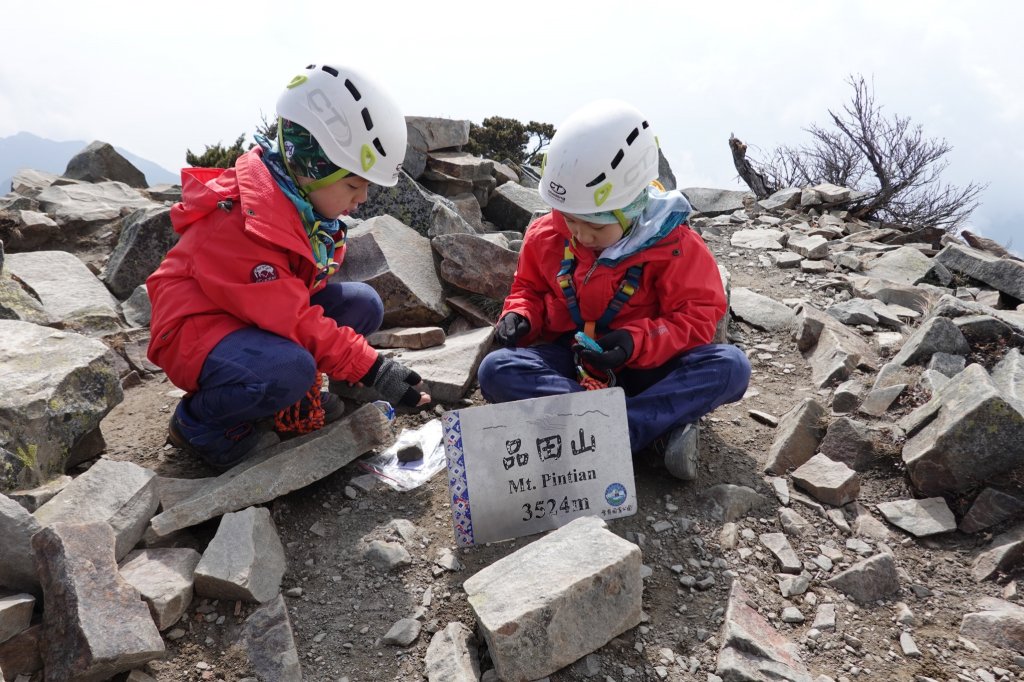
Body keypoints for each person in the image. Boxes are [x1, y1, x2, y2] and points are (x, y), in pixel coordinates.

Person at [147, 62, 430, 470]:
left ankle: (286, 391)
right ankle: (198, 425)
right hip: (196, 329)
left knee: (363, 304)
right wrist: (374, 369)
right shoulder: (241, 221)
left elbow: (290, 303)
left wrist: (362, 365)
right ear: (314, 165)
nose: (362, 198)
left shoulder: (299, 204)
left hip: (250, 312)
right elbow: (292, 319)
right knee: (291, 369)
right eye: (353, 185)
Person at [477, 100, 750, 480]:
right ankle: (642, 430)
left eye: (595, 226)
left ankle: (601, 431)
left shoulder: (676, 245)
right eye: (571, 219)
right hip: (572, 365)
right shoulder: (545, 235)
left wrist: (636, 341)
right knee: (497, 369)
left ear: (631, 207)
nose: (580, 234)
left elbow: (698, 317)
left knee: (731, 367)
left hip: (646, 368)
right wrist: (520, 315)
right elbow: (529, 289)